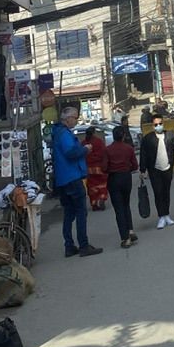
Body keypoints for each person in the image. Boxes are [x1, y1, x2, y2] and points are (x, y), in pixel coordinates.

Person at [51, 107, 102, 257]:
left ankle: (69, 245)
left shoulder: (58, 133)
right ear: (68, 119)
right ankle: (83, 245)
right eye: (75, 118)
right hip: (71, 177)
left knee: (69, 213)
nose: (76, 120)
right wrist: (85, 149)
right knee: (80, 212)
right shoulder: (64, 134)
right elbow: (71, 152)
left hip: (63, 179)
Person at [139, 113, 174, 229]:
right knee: (158, 192)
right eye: (156, 124)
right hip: (154, 169)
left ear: (163, 123)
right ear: (152, 125)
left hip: (167, 168)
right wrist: (142, 170)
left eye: (160, 124)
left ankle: (167, 215)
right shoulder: (148, 138)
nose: (158, 126)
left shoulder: (170, 135)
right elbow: (143, 155)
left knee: (166, 192)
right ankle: (161, 216)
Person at [104, 125, 139, 248]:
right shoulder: (128, 148)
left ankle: (125, 238)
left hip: (113, 179)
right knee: (126, 205)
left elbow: (104, 167)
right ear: (124, 136)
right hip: (126, 178)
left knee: (119, 209)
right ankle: (130, 230)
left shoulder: (108, 150)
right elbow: (135, 165)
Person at [84, 126, 108, 211]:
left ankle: (94, 202)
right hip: (98, 167)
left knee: (91, 186)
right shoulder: (98, 142)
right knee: (102, 184)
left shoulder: (83, 143)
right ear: (94, 133)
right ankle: (102, 197)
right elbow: (104, 153)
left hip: (88, 169)